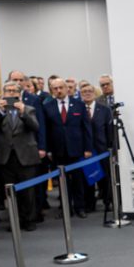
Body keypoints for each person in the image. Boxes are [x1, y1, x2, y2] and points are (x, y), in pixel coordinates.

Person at [0, 82, 42, 231]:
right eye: (8, 91)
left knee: (28, 191)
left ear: (19, 94)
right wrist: (0, 110)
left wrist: (23, 112)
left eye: (14, 91)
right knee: (10, 192)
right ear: (3, 93)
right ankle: (15, 221)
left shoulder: (29, 109)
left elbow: (35, 127)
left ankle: (29, 220)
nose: (11, 94)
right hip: (5, 156)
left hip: (25, 155)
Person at [42, 76, 93, 217]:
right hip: (58, 151)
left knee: (78, 180)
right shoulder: (47, 106)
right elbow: (46, 130)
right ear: (51, 90)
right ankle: (65, 209)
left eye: (61, 87)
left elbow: (86, 128)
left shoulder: (79, 104)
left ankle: (80, 207)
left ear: (67, 88)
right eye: (55, 88)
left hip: (77, 149)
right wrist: (48, 149)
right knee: (63, 182)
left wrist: (88, 148)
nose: (58, 90)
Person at [80, 81, 113, 213]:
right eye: (84, 92)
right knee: (87, 179)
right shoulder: (78, 108)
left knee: (105, 178)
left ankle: (107, 202)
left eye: (89, 91)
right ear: (80, 94)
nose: (87, 93)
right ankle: (89, 204)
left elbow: (109, 131)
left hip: (102, 149)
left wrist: (111, 148)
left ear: (94, 93)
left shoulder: (104, 109)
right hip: (85, 150)